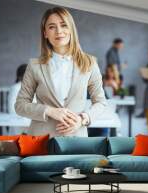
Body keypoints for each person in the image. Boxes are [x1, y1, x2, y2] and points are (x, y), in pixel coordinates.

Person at [15, 7, 107, 137]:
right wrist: (49, 111)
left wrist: (82, 119)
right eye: (52, 27)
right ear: (45, 33)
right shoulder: (34, 65)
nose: (59, 31)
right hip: (41, 141)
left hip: (76, 139)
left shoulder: (90, 63)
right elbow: (20, 105)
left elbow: (101, 102)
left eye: (64, 25)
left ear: (71, 29)